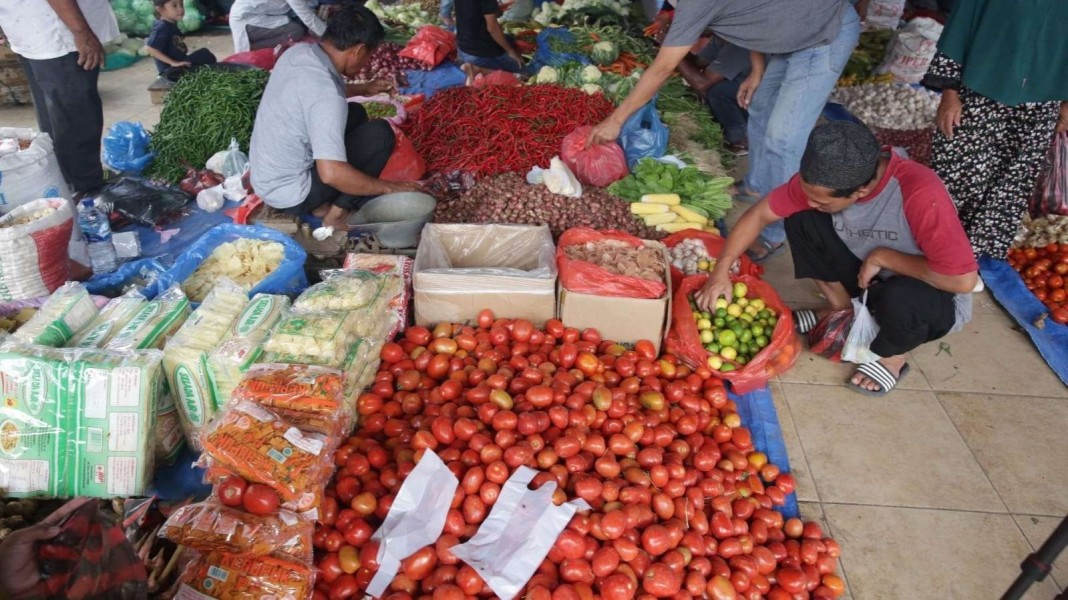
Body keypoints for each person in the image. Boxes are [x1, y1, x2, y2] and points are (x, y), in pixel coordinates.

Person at [696, 121, 978, 396]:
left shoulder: (920, 191)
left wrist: (885, 257)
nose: (812, 202)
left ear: (861, 191)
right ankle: (844, 312)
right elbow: (759, 215)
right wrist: (721, 271)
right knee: (802, 217)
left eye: (822, 202)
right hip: (867, 277)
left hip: (928, 295)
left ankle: (892, 356)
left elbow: (962, 281)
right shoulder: (825, 178)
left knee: (901, 297)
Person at [589, 0, 860, 263]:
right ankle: (757, 186)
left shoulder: (696, 3)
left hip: (823, 34)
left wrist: (617, 120)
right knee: (759, 106)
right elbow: (755, 19)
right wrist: (757, 71)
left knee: (783, 137)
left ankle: (775, 232)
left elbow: (663, 68)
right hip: (791, 35)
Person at [250, 3, 420, 231]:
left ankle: (321, 204)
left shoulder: (299, 53)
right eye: (369, 56)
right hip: (292, 194)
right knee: (380, 134)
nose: (367, 62)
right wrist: (389, 187)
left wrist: (364, 88)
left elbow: (313, 94)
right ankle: (336, 214)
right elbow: (331, 174)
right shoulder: (328, 98)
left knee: (357, 112)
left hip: (265, 177)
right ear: (359, 50)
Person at [923, 0, 1068, 260]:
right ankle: (932, 250)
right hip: (980, 89)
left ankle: (971, 259)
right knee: (959, 173)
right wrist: (949, 92)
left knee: (1009, 185)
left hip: (1042, 102)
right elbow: (962, 24)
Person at [0, 0, 117, 195]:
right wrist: (82, 32)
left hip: (30, 29)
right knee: (77, 117)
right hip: (59, 33)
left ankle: (67, 181)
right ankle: (87, 189)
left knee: (55, 115)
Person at [676, 37, 752, 155]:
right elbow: (698, 62)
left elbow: (702, 83)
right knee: (711, 90)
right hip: (738, 88)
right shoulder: (720, 37)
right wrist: (675, 48)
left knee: (717, 91)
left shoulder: (740, 44)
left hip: (757, 94)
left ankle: (741, 139)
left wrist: (674, 58)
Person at [145, 0, 217, 75]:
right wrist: (173, 62)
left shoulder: (171, 24)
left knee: (204, 54)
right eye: (174, 6)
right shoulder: (162, 27)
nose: (181, 9)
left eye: (181, 4)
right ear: (161, 9)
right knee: (205, 55)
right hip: (171, 71)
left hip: (180, 63)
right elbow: (150, 48)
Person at [453, 0, 523, 76]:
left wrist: (493, 8)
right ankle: (478, 69)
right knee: (522, 72)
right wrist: (510, 51)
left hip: (463, 48)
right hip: (481, 52)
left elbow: (469, 9)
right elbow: (493, 29)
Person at [229, 0, 326, 54]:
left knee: (299, 24)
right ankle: (253, 46)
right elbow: (308, 17)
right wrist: (328, 36)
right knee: (296, 31)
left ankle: (253, 42)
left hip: (256, 15)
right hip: (247, 19)